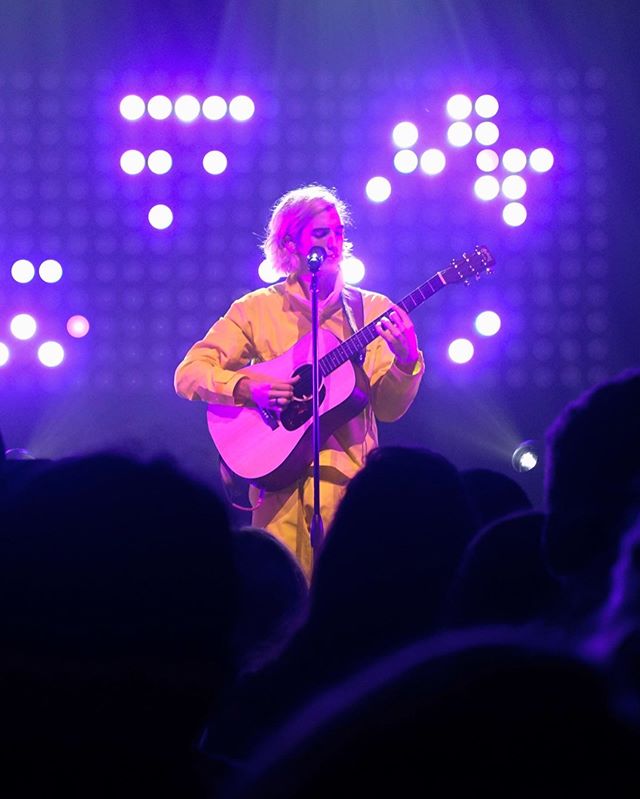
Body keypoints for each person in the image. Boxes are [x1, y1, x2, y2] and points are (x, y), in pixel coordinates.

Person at [175, 185, 424, 575]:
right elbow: (189, 373)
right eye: (322, 233)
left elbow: (389, 411)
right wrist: (246, 388)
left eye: (339, 232)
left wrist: (406, 360)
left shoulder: (371, 311)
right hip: (277, 497)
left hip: (349, 494)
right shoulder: (255, 309)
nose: (335, 242)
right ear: (290, 242)